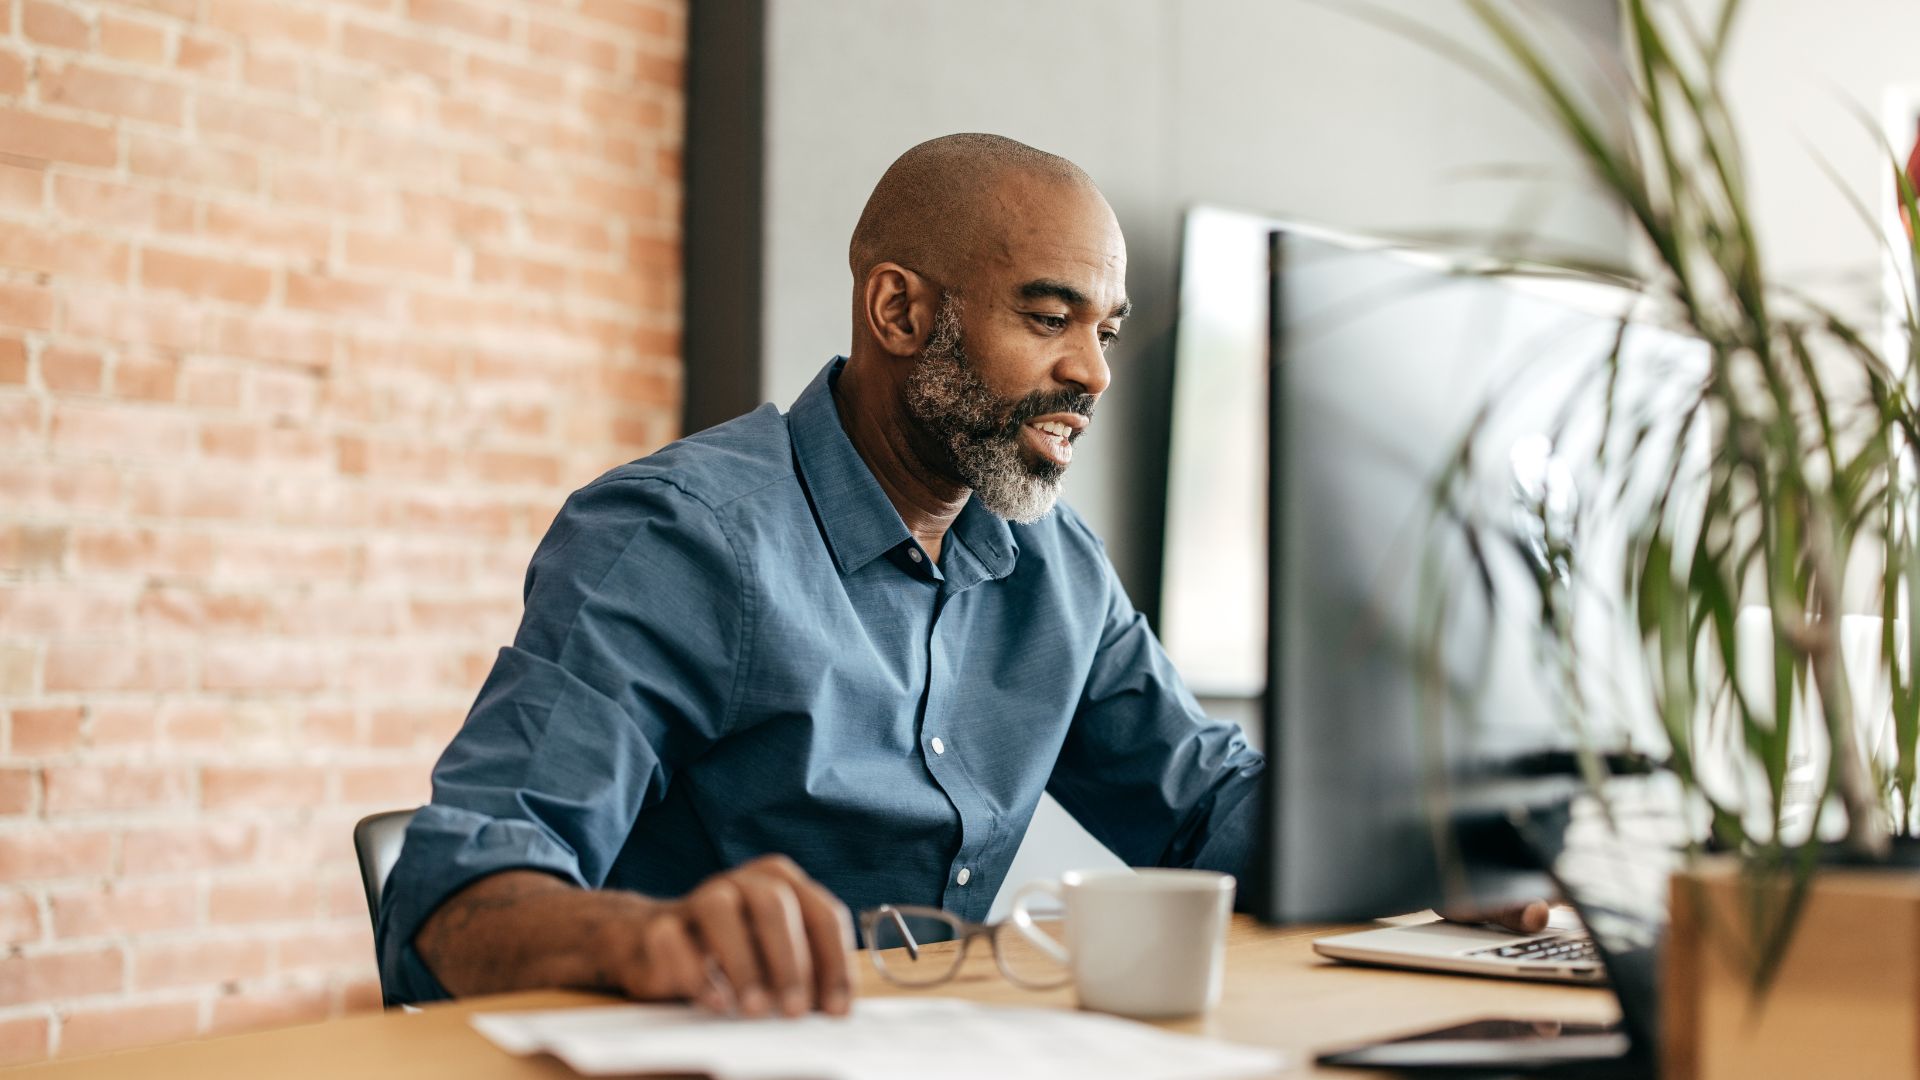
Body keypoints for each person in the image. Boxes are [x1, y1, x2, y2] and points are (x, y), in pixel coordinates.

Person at [375, 133, 1534, 1016]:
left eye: (1108, 331)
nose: (1091, 372)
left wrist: (1437, 851)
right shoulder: (681, 539)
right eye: (1048, 317)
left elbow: (1203, 812)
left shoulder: (1050, 563)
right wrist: (639, 939)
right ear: (899, 309)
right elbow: (456, 892)